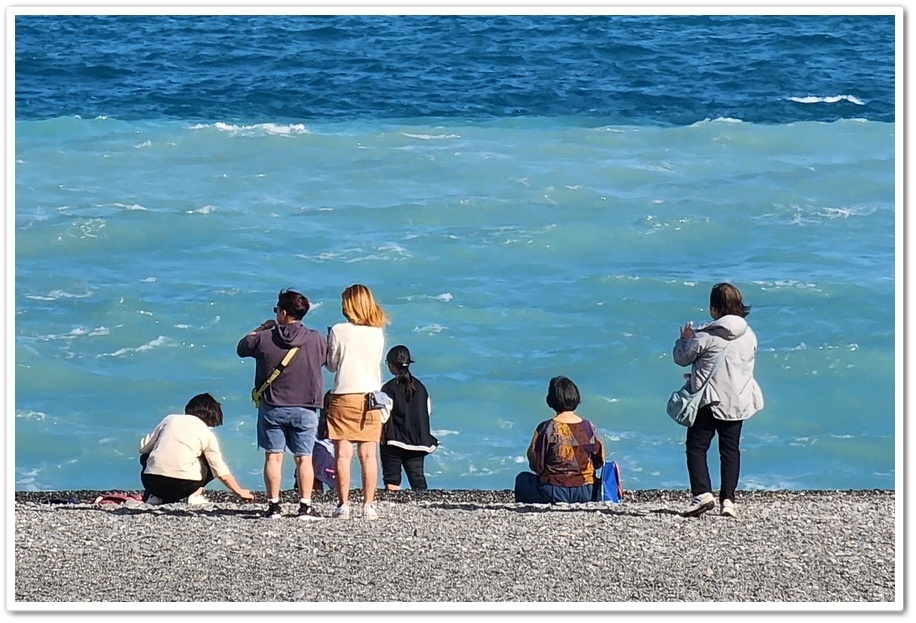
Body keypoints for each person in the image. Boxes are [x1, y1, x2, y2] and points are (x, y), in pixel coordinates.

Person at [673, 282, 764, 518]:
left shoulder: (706, 335)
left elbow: (682, 358)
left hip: (709, 401)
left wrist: (684, 339)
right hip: (738, 400)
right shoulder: (749, 335)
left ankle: (702, 493)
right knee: (730, 450)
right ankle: (728, 500)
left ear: (715, 309)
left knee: (696, 447)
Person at [237, 289, 327, 520]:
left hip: (273, 406)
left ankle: (274, 505)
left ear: (283, 312)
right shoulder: (315, 338)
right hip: (306, 407)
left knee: (273, 457)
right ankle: (305, 505)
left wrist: (261, 327)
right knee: (304, 458)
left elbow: (242, 347)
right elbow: (325, 360)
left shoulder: (264, 338)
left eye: (277, 310)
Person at [325, 283, 388, 520]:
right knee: (369, 455)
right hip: (371, 397)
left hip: (344, 395)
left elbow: (332, 365)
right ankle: (368, 505)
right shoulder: (377, 332)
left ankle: (343, 504)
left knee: (342, 454)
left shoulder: (339, 330)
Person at [139, 393, 254, 506]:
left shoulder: (170, 419)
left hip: (151, 483)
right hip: (184, 486)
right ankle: (194, 495)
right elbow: (220, 471)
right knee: (210, 462)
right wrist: (240, 492)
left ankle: (155, 496)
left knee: (146, 457)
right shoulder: (207, 433)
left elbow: (143, 448)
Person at [514, 376, 605, 504]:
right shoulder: (589, 427)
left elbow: (536, 465)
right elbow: (599, 462)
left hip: (553, 491)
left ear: (550, 401)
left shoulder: (546, 428)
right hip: (586, 491)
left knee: (522, 479)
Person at [380, 345, 438, 490]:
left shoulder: (389, 388)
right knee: (418, 478)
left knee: (392, 478)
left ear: (392, 365)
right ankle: (423, 505)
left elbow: (383, 415)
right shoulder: (421, 387)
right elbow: (427, 410)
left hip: (394, 441)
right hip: (418, 440)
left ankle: (393, 504)